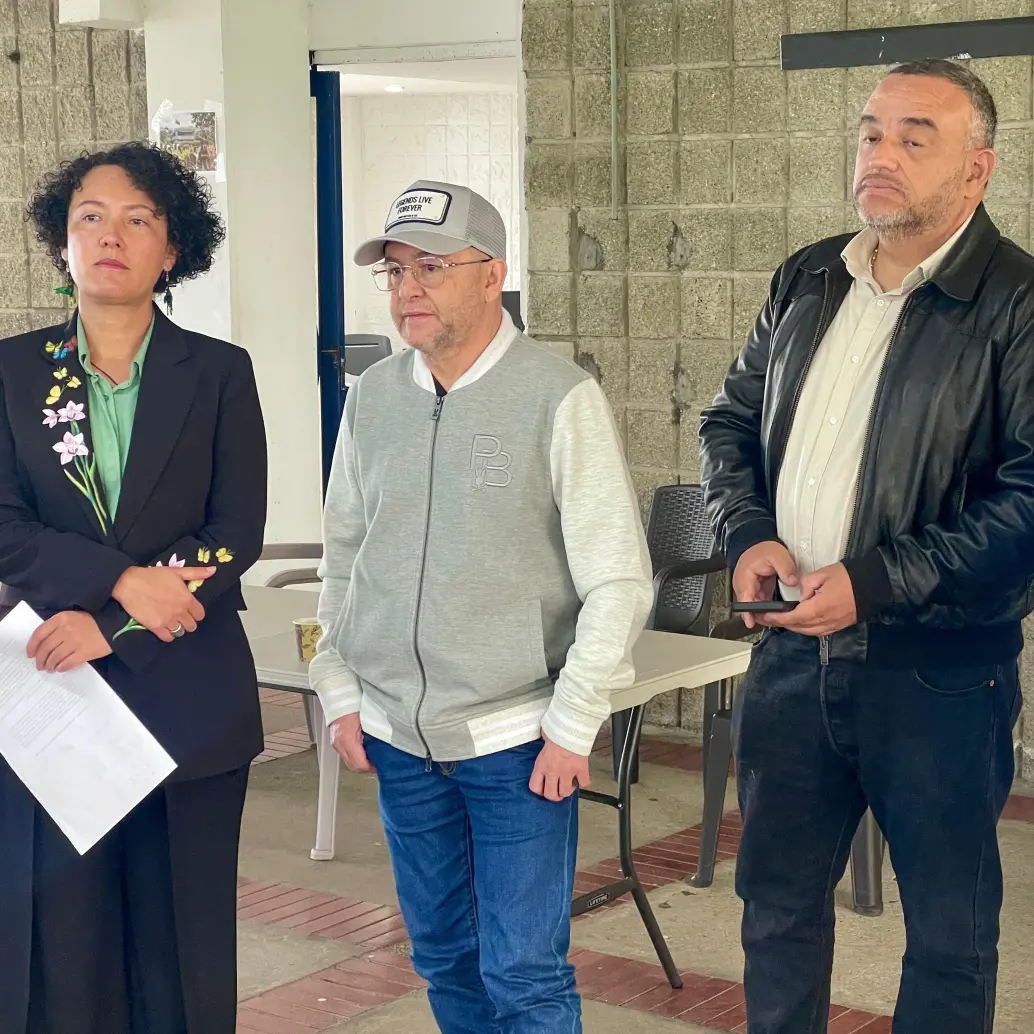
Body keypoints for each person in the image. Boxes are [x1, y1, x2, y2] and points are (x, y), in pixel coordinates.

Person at [700, 59, 1032, 1033]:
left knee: (946, 931)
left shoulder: (1014, 302)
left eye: (911, 137)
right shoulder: (806, 277)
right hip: (789, 658)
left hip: (936, 675)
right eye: (868, 132)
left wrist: (876, 580)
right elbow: (728, 423)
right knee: (776, 909)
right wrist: (748, 532)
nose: (878, 154)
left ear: (975, 170)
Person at [310, 180, 653, 1034]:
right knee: (443, 957)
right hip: (396, 738)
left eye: (431, 266)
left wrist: (574, 723)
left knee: (524, 973)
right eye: (392, 272)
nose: (407, 290)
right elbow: (345, 557)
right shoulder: (374, 396)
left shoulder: (557, 396)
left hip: (518, 743)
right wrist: (340, 687)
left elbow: (618, 579)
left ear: (492, 273)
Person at [0, 141, 267, 1034]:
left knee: (181, 950)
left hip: (185, 699)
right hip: (50, 696)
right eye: (90, 217)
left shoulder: (221, 372)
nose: (111, 235)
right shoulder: (8, 372)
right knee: (57, 945)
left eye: (137, 219)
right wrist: (118, 580)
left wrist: (114, 623)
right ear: (62, 243)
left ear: (172, 249)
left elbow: (235, 535)